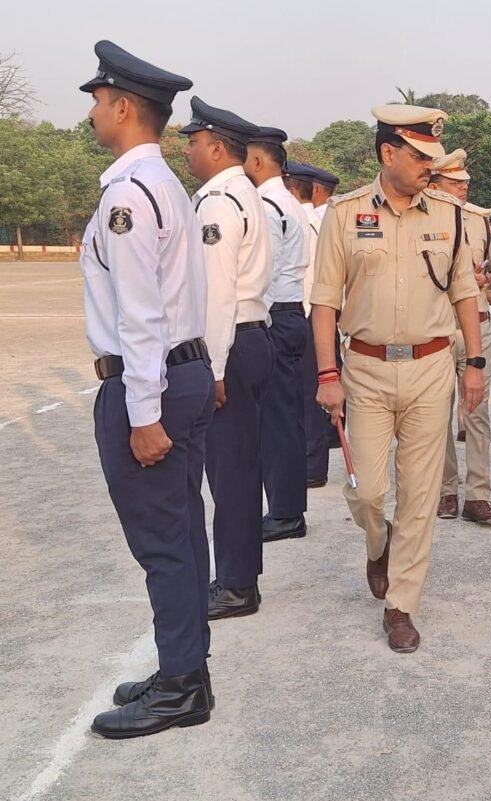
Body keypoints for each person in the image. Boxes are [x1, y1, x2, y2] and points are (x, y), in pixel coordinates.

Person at [78, 40, 215, 738]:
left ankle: (182, 685)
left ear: (125, 107)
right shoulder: (165, 185)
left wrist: (141, 412)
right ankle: (185, 669)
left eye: (99, 101)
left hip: (151, 383)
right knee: (182, 532)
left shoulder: (128, 195)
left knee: (163, 541)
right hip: (182, 373)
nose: (93, 113)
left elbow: (139, 315)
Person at [311, 105, 484, 653]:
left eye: (434, 157)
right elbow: (323, 302)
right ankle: (377, 541)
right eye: (420, 156)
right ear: (388, 153)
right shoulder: (345, 215)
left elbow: (464, 292)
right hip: (364, 369)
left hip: (431, 367)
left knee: (420, 492)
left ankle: (402, 604)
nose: (430, 166)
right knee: (368, 491)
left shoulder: (450, 215)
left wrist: (475, 364)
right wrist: (327, 374)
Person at [181, 97, 274, 619]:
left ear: (217, 148)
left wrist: (213, 370)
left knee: (231, 470)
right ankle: (240, 577)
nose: (187, 151)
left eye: (194, 142)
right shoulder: (245, 194)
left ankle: (237, 584)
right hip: (247, 337)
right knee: (239, 465)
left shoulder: (218, 202)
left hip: (230, 343)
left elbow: (217, 293)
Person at [429, 148, 491, 524]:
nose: (463, 188)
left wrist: (483, 279)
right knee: (437, 414)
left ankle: (478, 495)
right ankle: (446, 490)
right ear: (434, 185)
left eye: (464, 182)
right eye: (454, 182)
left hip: (477, 325)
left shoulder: (478, 221)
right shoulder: (421, 220)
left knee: (477, 412)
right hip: (437, 329)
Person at [245, 127, 311, 542]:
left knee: (277, 422)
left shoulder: (267, 206)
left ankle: (286, 512)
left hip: (275, 317)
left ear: (256, 161)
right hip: (290, 313)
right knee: (285, 417)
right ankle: (287, 507)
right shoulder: (287, 201)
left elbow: (261, 273)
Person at [283, 160, 334, 489]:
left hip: (304, 311)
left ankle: (312, 464)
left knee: (306, 394)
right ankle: (310, 461)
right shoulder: (313, 221)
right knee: (305, 392)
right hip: (310, 312)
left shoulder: (303, 222)